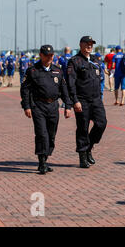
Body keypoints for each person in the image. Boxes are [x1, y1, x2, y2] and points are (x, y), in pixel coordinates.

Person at [20, 45, 72, 174]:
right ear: (41, 55)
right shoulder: (32, 71)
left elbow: (64, 90)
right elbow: (25, 90)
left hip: (53, 106)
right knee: (42, 134)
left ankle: (45, 158)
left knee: (51, 135)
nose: (50, 57)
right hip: (38, 106)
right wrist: (26, 106)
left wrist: (68, 106)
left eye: (52, 55)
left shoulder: (58, 71)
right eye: (47, 55)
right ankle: (42, 162)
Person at [67, 36, 107, 168]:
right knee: (83, 128)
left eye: (91, 44)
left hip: (96, 99)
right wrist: (75, 100)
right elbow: (71, 83)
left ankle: (89, 147)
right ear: (80, 45)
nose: (89, 46)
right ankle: (82, 156)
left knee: (101, 123)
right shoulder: (74, 61)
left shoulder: (95, 60)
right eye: (87, 43)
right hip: (82, 100)